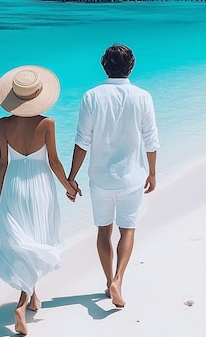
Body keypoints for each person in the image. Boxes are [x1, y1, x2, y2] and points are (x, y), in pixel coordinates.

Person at [67, 44, 159, 308]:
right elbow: (151, 140)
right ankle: (118, 279)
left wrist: (71, 177)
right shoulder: (143, 96)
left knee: (104, 231)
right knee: (127, 229)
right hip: (132, 177)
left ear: (104, 66)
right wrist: (152, 172)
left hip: (100, 178)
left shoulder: (91, 96)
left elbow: (82, 141)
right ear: (131, 66)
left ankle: (109, 281)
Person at [0, 65, 78, 336]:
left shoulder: (3, 124)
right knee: (37, 239)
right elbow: (53, 161)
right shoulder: (47, 123)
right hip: (40, 187)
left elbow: (2, 163)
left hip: (14, 187)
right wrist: (69, 187)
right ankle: (21, 306)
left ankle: (32, 296)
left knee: (25, 243)